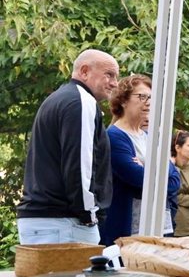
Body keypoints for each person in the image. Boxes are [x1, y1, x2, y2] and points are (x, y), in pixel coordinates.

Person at [17, 49, 119, 245]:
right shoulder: (81, 101)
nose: (114, 83)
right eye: (109, 74)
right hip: (64, 222)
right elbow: (80, 165)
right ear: (84, 71)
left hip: (43, 220)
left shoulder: (59, 98)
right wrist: (89, 214)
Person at [101, 75, 180, 246]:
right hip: (128, 233)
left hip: (160, 227)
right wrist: (157, 170)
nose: (148, 102)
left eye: (151, 97)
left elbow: (174, 182)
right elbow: (139, 179)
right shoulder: (114, 137)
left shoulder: (148, 137)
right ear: (123, 100)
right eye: (142, 97)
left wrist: (147, 168)